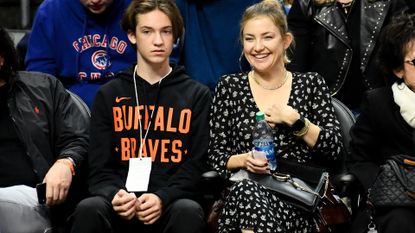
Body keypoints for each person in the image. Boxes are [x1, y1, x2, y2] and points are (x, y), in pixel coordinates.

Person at [69, 0, 211, 232]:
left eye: (166, 32)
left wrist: (163, 197)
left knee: (188, 211)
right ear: (132, 35)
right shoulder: (109, 94)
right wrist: (114, 194)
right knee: (89, 208)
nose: (158, 41)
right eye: (147, 31)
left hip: (170, 202)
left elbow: (196, 165)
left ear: (175, 36)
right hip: (120, 202)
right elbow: (99, 167)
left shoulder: (197, 95)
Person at [207, 0, 343, 232]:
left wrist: (297, 122)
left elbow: (334, 150)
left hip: (298, 203)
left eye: (267, 37)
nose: (257, 47)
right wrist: (244, 159)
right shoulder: (229, 87)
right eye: (249, 39)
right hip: (245, 194)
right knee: (245, 191)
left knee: (244, 199)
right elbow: (215, 156)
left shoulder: (310, 84)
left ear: (285, 40)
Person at [0, 26, 89, 233]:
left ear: (1, 58)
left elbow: (78, 137)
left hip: (32, 197)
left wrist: (66, 162)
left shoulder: (44, 88)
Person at [347, 11, 415, 233]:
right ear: (398, 68)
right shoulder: (379, 103)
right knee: (400, 221)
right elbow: (360, 159)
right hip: (398, 201)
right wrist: (383, 186)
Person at [287, 0, 408, 112]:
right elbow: (296, 66)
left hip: (380, 105)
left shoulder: (391, 3)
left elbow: (402, 56)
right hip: (326, 106)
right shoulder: (306, 4)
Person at [25, 0, 136, 107]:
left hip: (129, 104)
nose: (95, 1)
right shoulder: (51, 11)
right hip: (69, 109)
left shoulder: (136, 7)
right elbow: (40, 77)